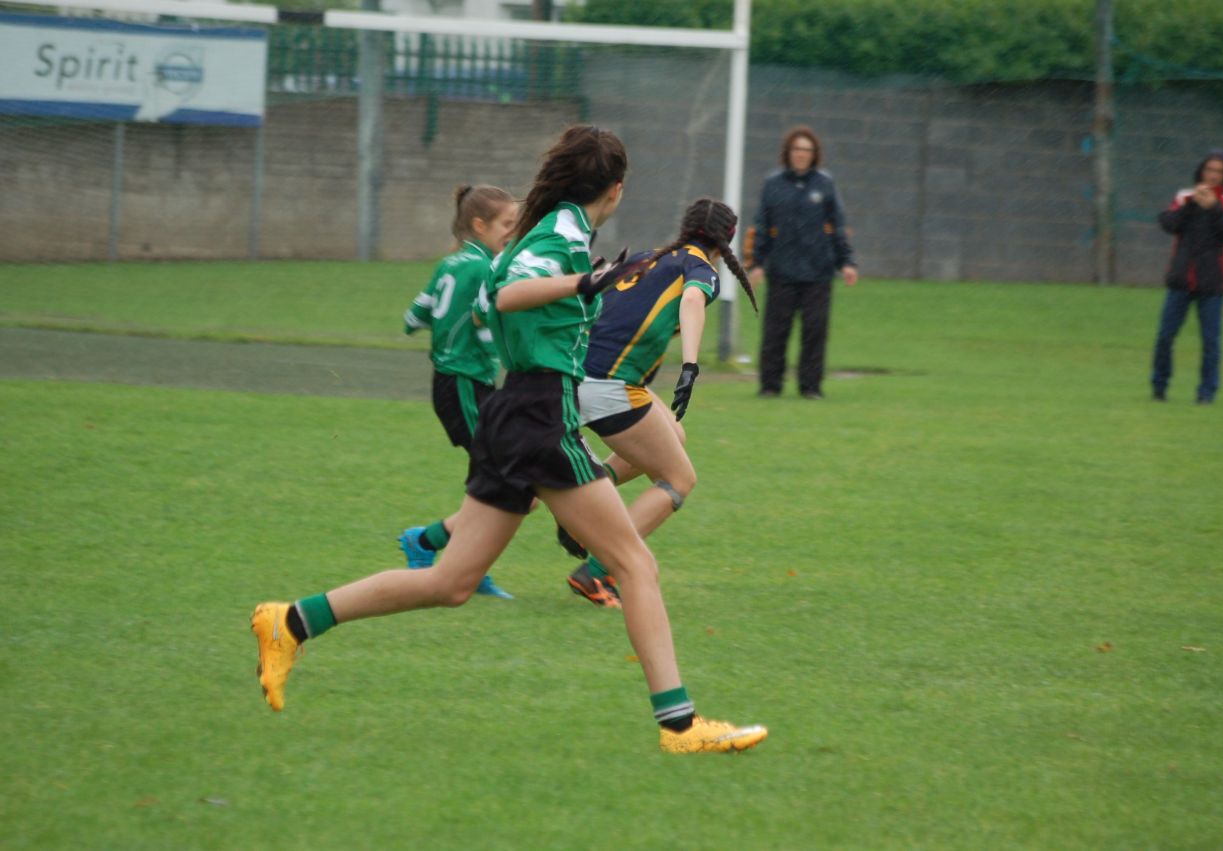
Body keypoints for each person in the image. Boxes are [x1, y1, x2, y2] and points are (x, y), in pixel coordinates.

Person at [250, 125, 767, 754]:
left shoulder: (557, 225)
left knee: (451, 583)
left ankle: (290, 620)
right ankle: (680, 727)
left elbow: (499, 291)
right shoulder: (566, 228)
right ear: (616, 187)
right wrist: (584, 284)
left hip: (518, 408)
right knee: (635, 563)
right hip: (538, 412)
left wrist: (589, 284)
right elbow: (508, 290)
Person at [563, 197, 756, 608]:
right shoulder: (699, 268)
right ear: (728, 240)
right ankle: (599, 569)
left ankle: (584, 506)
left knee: (673, 434)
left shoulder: (650, 258)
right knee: (679, 479)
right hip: (609, 385)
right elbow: (691, 303)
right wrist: (690, 364)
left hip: (578, 373)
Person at [398, 184, 518, 599]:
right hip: (465, 383)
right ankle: (430, 544)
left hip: (456, 382)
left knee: (494, 478)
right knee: (498, 477)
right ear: (479, 225)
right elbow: (486, 320)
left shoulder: (449, 264)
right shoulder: (486, 268)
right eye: (507, 224)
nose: (512, 232)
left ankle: (462, 560)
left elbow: (414, 316)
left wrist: (442, 332)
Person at [745, 125, 858, 400]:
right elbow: (762, 226)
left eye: (807, 150)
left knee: (814, 332)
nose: (801, 155)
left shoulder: (824, 184)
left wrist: (847, 262)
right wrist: (756, 263)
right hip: (781, 271)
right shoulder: (773, 184)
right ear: (788, 152)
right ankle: (770, 386)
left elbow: (838, 225)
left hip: (818, 272)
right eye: (797, 149)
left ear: (814, 154)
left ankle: (811, 386)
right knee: (775, 331)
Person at [1152, 149, 1223, 404]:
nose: (1213, 175)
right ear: (1201, 172)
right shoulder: (1184, 197)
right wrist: (1193, 204)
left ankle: (1206, 393)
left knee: (1210, 342)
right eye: (1209, 170)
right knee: (1165, 336)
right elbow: (1168, 223)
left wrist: (1214, 208)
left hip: (1212, 284)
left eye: (1219, 171)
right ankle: (1159, 387)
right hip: (1181, 280)